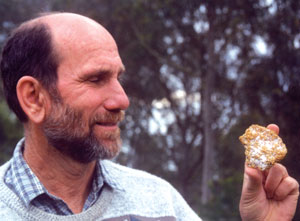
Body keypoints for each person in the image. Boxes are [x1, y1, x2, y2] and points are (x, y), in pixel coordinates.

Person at [0, 12, 298, 221]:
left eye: (118, 78)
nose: (122, 100)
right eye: (95, 79)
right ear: (33, 98)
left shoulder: (159, 203)